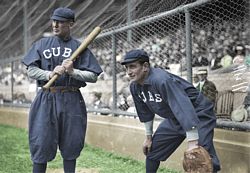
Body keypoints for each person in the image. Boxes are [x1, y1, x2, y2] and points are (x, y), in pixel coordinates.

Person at [22, 7, 103, 173]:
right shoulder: (42, 44)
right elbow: (31, 70)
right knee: (41, 141)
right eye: (54, 21)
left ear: (71, 24)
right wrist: (49, 73)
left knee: (71, 142)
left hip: (71, 97)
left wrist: (73, 72)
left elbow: (93, 76)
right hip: (46, 96)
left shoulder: (78, 47)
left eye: (60, 22)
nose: (55, 25)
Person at [121, 49, 221, 173]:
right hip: (175, 117)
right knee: (153, 150)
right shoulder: (135, 86)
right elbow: (145, 113)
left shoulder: (161, 79)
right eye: (126, 68)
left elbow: (182, 107)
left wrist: (193, 141)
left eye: (132, 67)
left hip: (198, 113)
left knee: (202, 156)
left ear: (145, 66)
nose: (129, 72)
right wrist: (148, 137)